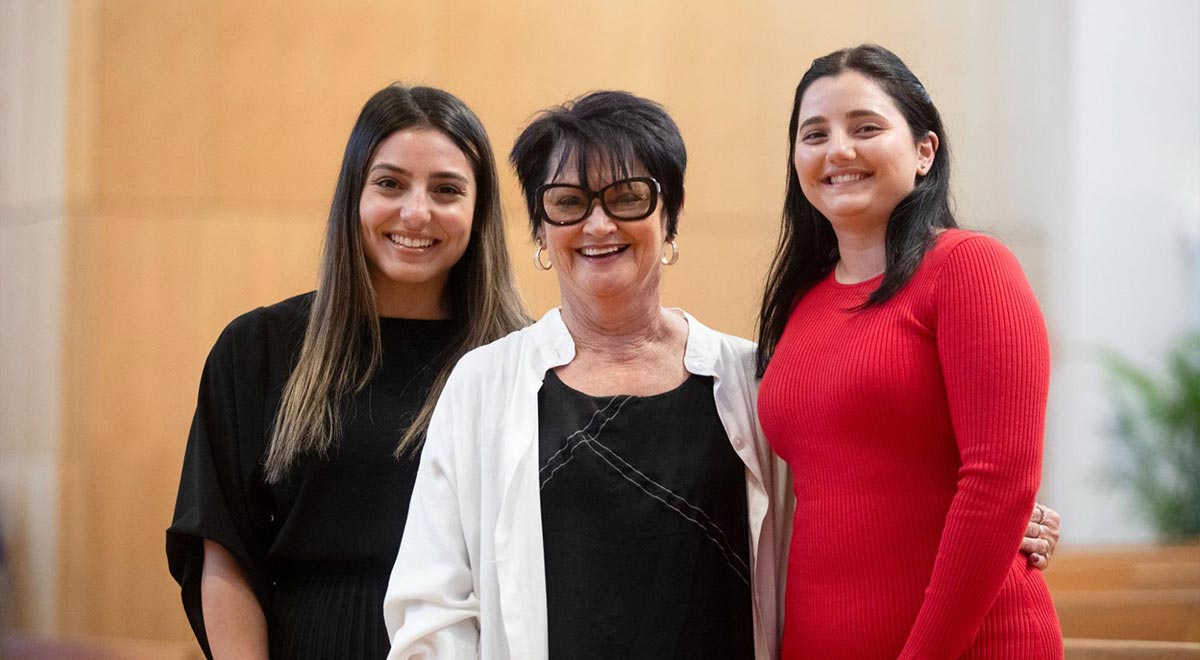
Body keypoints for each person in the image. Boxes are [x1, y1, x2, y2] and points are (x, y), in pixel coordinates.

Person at [382, 90, 1058, 660]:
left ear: (670, 218)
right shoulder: (484, 386)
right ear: (540, 230)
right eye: (566, 201)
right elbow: (431, 610)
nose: (597, 223)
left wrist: (999, 519)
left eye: (627, 196)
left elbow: (852, 496)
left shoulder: (750, 378)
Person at [166, 84, 528, 660]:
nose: (416, 212)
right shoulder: (257, 348)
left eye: (446, 190)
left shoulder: (523, 362)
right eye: (389, 183)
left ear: (479, 211)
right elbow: (224, 550)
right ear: (352, 195)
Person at [756, 44, 1063, 658]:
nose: (838, 150)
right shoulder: (801, 304)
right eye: (813, 134)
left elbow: (997, 483)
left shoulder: (970, 268)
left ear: (925, 151)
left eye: (865, 127)